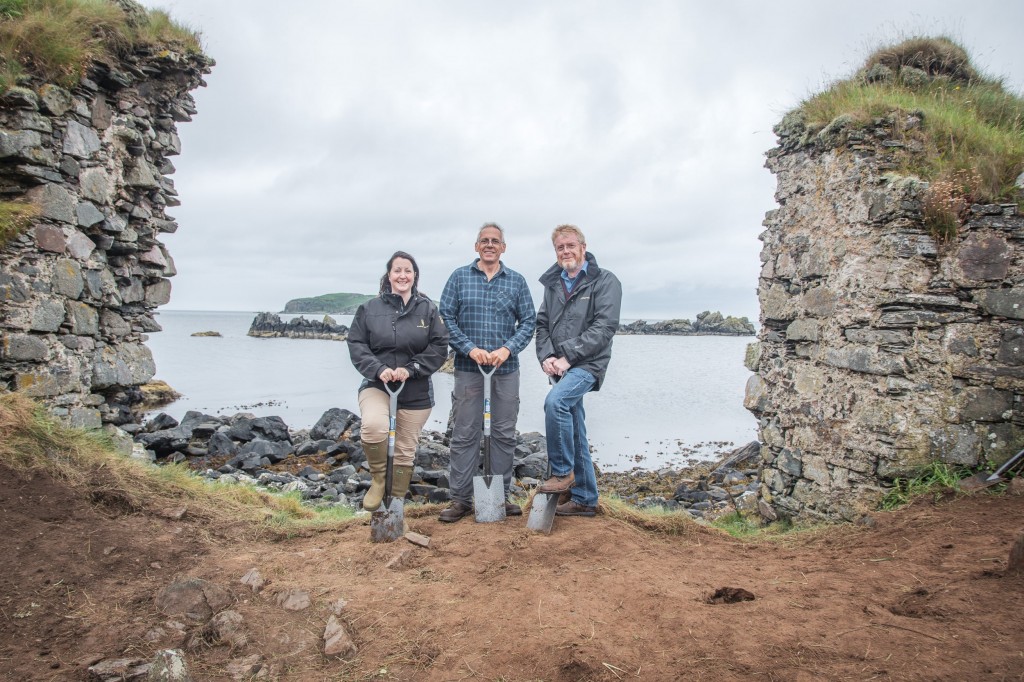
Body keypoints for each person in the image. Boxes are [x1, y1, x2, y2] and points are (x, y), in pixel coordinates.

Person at [437, 223, 537, 522]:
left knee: (504, 434)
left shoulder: (516, 282)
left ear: (503, 247)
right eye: (484, 240)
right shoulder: (459, 277)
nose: (490, 245)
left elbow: (529, 321)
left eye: (495, 241)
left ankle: (500, 497)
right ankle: (461, 500)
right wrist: (469, 348)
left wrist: (507, 349)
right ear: (476, 246)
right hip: (469, 370)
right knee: (466, 432)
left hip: (505, 371)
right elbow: (446, 317)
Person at [347, 251, 449, 511]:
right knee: (373, 426)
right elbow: (357, 344)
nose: (402, 275)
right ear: (389, 275)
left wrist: (411, 368)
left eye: (408, 271)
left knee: (405, 449)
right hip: (377, 384)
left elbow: (439, 347)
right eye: (397, 270)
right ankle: (379, 480)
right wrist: (378, 368)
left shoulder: (428, 309)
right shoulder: (369, 309)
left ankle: (395, 506)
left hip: (415, 389)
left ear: (415, 276)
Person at [535, 224, 622, 516]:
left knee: (555, 402)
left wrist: (568, 357)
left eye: (571, 246)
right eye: (560, 247)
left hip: (587, 364)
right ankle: (585, 499)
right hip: (559, 367)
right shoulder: (552, 284)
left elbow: (604, 327)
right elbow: (542, 325)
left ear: (583, 247)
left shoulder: (605, 281)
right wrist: (547, 356)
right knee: (575, 429)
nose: (566, 251)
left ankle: (562, 474)